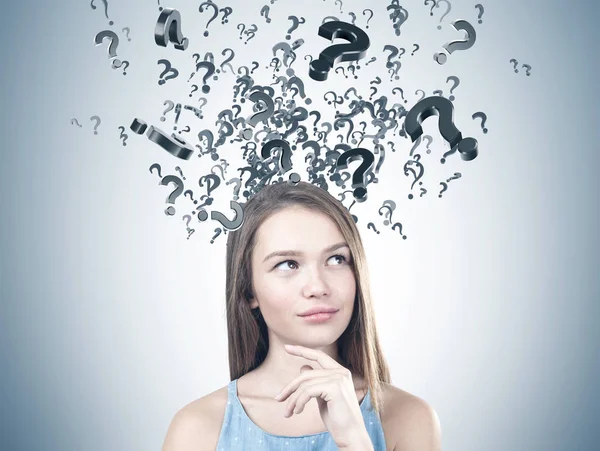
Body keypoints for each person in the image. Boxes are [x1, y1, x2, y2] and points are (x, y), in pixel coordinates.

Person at [162, 180, 441, 451]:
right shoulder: (197, 428)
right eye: (288, 264)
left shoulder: (408, 418)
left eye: (336, 259)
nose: (318, 287)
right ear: (249, 292)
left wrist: (354, 440)